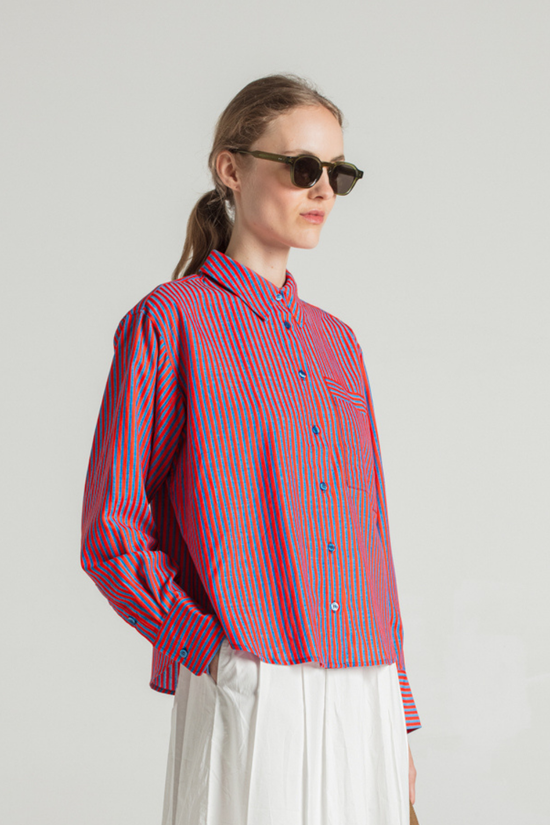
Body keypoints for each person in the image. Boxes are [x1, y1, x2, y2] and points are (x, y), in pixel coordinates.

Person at [80, 72, 421, 825]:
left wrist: (397, 713)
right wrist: (211, 652)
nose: (323, 189)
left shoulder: (338, 343)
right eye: (302, 167)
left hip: (363, 684)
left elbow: (372, 537)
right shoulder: (169, 322)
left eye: (339, 173)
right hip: (254, 677)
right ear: (231, 168)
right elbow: (111, 528)